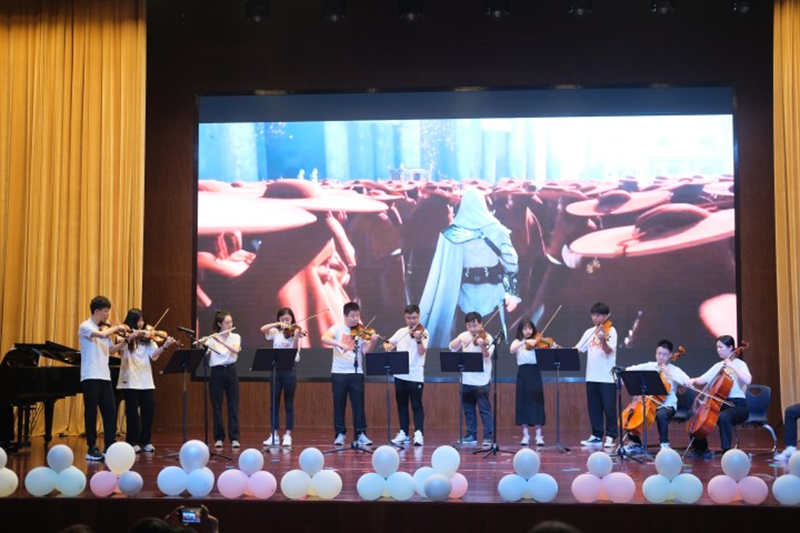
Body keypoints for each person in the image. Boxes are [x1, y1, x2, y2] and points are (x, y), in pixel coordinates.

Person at [420, 187, 521, 348]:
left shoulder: (451, 233)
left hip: (463, 296)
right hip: (493, 295)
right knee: (493, 345)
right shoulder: (498, 231)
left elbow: (444, 268)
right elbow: (512, 264)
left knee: (465, 342)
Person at [112, 308, 177, 453]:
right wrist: (132, 336)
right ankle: (132, 441)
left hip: (146, 380)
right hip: (130, 380)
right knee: (132, 412)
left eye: (142, 320)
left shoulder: (148, 339)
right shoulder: (123, 336)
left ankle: (146, 441)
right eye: (138, 321)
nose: (141, 324)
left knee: (148, 411)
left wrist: (165, 346)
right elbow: (120, 346)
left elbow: (154, 355)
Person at [321, 301, 380, 446]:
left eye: (357, 316)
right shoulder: (337, 328)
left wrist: (373, 342)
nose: (356, 319)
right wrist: (340, 344)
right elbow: (324, 338)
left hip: (356, 372)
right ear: (345, 316)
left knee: (358, 405)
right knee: (339, 405)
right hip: (339, 373)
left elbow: (366, 351)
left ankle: (361, 434)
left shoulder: (361, 330)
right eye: (352, 316)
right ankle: (340, 434)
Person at [78, 295, 128, 461]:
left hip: (104, 376)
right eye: (106, 311)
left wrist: (126, 342)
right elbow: (101, 335)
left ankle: (109, 445)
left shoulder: (104, 330)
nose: (107, 315)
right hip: (90, 376)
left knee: (110, 411)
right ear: (97, 311)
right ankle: (91, 447)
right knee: (91, 412)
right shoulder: (85, 326)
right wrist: (116, 328)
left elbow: (111, 350)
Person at [685, 335, 751, 459]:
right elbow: (702, 379)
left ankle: (727, 451)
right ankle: (701, 448)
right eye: (717, 347)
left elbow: (748, 380)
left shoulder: (740, 364)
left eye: (721, 347)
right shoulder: (719, 366)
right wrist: (692, 380)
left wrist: (732, 366)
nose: (718, 350)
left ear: (730, 347)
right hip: (720, 403)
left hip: (737, 405)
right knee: (692, 414)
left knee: (724, 416)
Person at [620, 339, 691, 454]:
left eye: (664, 354)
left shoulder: (674, 370)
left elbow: (687, 382)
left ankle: (664, 443)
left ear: (670, 355)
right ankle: (636, 443)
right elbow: (631, 369)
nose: (661, 357)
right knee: (630, 415)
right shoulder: (650, 366)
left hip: (667, 405)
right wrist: (622, 371)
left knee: (660, 414)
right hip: (648, 403)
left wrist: (670, 374)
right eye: (659, 353)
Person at [383, 304, 428, 446]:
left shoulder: (424, 332)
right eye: (409, 318)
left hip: (415, 375)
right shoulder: (401, 331)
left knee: (416, 405)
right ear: (405, 317)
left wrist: (418, 340)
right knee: (401, 405)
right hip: (400, 374)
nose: (412, 321)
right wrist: (387, 345)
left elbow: (422, 351)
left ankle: (419, 433)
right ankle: (404, 432)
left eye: (414, 318)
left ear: (419, 316)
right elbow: (388, 342)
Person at [575, 302, 618, 448]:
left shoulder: (611, 331)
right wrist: (559, 349)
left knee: (609, 408)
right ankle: (596, 435)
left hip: (607, 378)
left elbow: (608, 351)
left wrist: (602, 340)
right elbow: (578, 349)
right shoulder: (589, 332)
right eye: (593, 315)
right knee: (594, 408)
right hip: (591, 376)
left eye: (598, 315)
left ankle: (611, 435)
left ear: (605, 316)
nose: (595, 318)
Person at [448, 311, 494, 446]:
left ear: (481, 324)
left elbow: (486, 355)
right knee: (468, 409)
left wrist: (482, 345)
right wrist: (460, 340)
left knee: (484, 410)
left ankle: (488, 436)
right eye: (469, 326)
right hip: (466, 379)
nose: (472, 329)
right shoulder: (464, 335)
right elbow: (452, 347)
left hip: (481, 380)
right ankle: (471, 435)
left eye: (475, 325)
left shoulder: (487, 337)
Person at [259, 308, 303, 447]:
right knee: (274, 404)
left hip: (289, 371)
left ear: (292, 320)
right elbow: (262, 329)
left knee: (289, 404)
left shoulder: (295, 332)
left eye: (287, 319)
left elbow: (294, 352)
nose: (285, 322)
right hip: (275, 371)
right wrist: (277, 324)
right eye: (282, 319)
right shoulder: (275, 332)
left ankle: (288, 435)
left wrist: (296, 338)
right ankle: (274, 435)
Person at [204, 310, 242, 449]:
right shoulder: (212, 339)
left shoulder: (235, 337)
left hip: (231, 371)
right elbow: (204, 352)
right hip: (216, 372)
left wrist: (220, 340)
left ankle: (234, 438)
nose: (229, 325)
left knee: (233, 406)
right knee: (217, 406)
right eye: (226, 323)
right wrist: (203, 343)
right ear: (220, 324)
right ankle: (219, 438)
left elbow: (235, 350)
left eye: (231, 322)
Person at [509, 318, 547, 446]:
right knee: (523, 403)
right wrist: (524, 342)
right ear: (521, 330)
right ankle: (525, 436)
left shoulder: (537, 341)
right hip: (523, 373)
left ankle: (538, 436)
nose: (528, 331)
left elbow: (545, 352)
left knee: (537, 403)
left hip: (535, 372)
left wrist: (550, 346)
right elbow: (512, 349)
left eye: (530, 328)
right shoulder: (518, 342)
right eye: (525, 329)